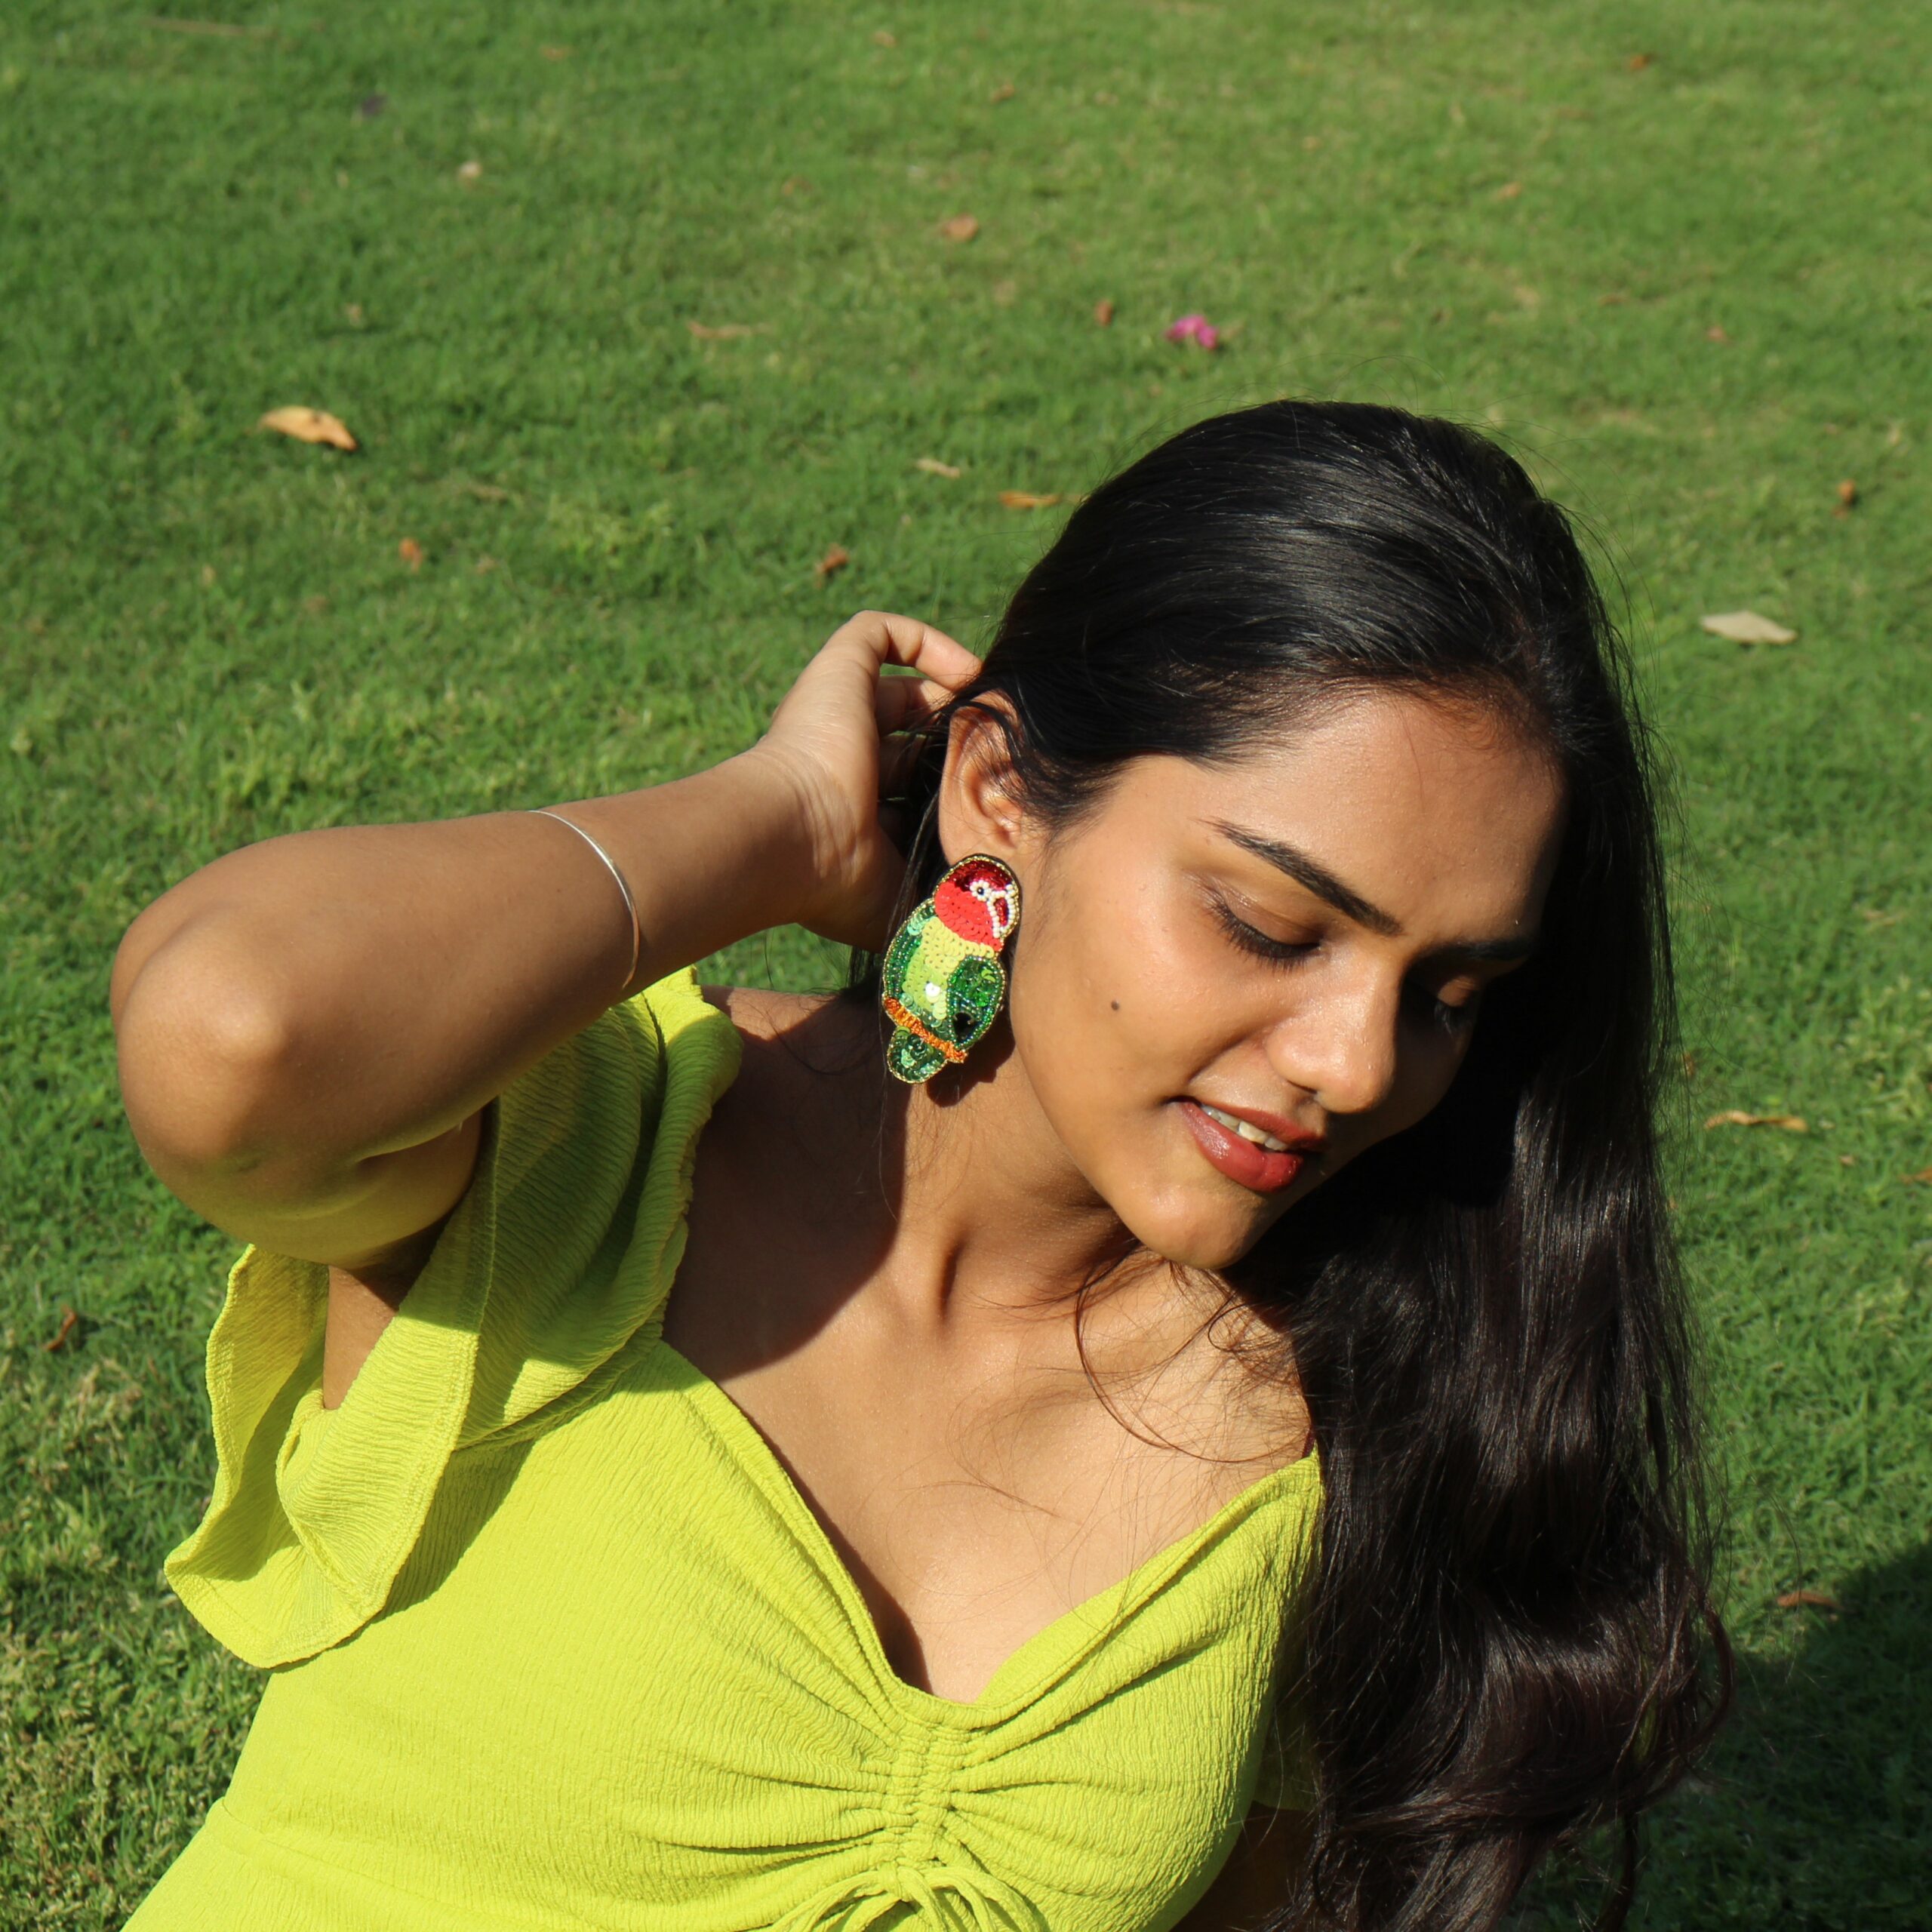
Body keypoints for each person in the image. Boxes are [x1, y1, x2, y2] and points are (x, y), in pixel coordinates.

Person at [112, 399, 1728, 1932]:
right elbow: (230, 1030)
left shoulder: (1370, 1406)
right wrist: (789, 820)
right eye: (1267, 922)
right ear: (998, 789)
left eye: (1446, 991)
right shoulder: (575, 1149)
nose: (1357, 1063)